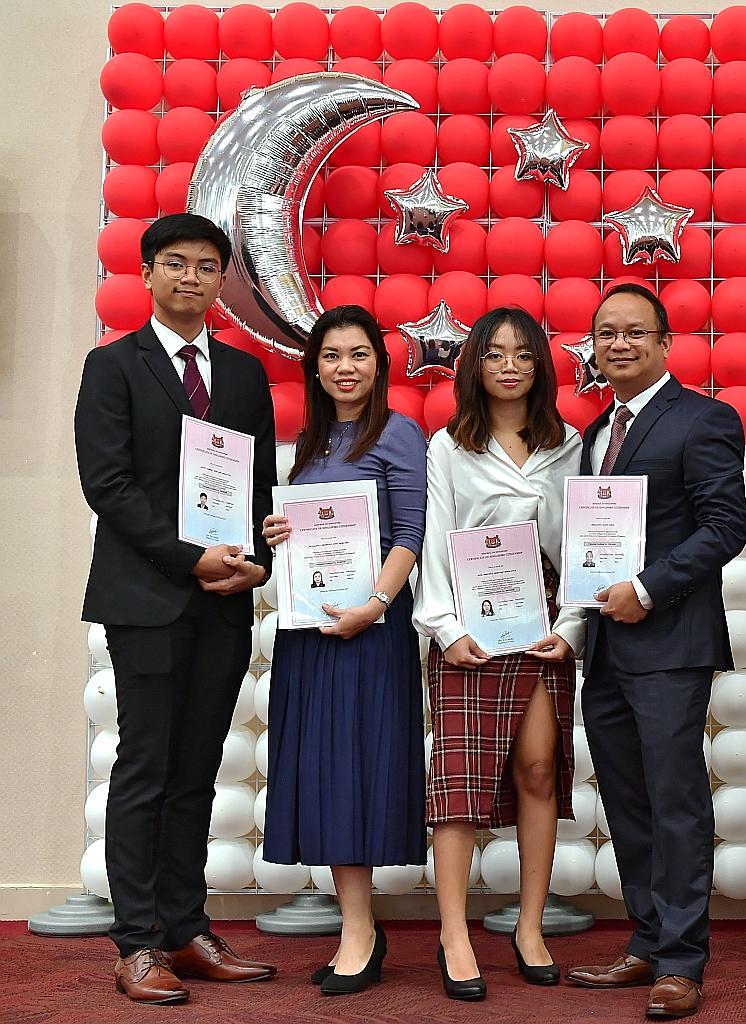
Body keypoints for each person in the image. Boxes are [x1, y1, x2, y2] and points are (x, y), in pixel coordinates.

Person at [75, 213, 278, 1004]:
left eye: (205, 266)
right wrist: (189, 557)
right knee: (146, 768)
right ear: (149, 274)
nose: (191, 278)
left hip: (223, 601)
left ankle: (185, 928)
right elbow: (110, 486)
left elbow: (258, 485)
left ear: (221, 280)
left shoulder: (244, 374)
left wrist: (255, 562)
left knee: (198, 770)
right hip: (148, 596)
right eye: (176, 264)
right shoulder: (111, 367)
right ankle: (137, 944)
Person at [564, 284, 746, 1020]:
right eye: (606, 333)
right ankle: (646, 939)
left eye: (635, 332)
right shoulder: (593, 432)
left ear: (666, 343)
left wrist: (647, 586)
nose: (619, 344)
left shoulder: (704, 419)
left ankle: (681, 960)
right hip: (606, 647)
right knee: (627, 801)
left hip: (670, 643)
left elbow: (723, 527)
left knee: (675, 803)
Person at [412, 307, 585, 999]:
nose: (509, 365)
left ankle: (530, 925)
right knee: (459, 782)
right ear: (473, 365)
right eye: (495, 353)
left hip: (542, 617)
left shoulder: (569, 443)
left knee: (539, 769)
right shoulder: (449, 446)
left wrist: (572, 626)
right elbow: (433, 541)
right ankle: (454, 933)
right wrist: (445, 629)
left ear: (542, 365)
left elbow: (584, 549)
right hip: (469, 622)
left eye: (523, 353)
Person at [260, 305, 427, 997]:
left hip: (372, 631)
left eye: (359, 355)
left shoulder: (400, 433)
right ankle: (355, 925)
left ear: (379, 366)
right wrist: (276, 532)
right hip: (310, 637)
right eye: (332, 356)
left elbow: (411, 534)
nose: (345, 368)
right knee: (326, 774)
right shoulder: (311, 442)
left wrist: (375, 606)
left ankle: (360, 932)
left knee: (358, 771)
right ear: (315, 367)